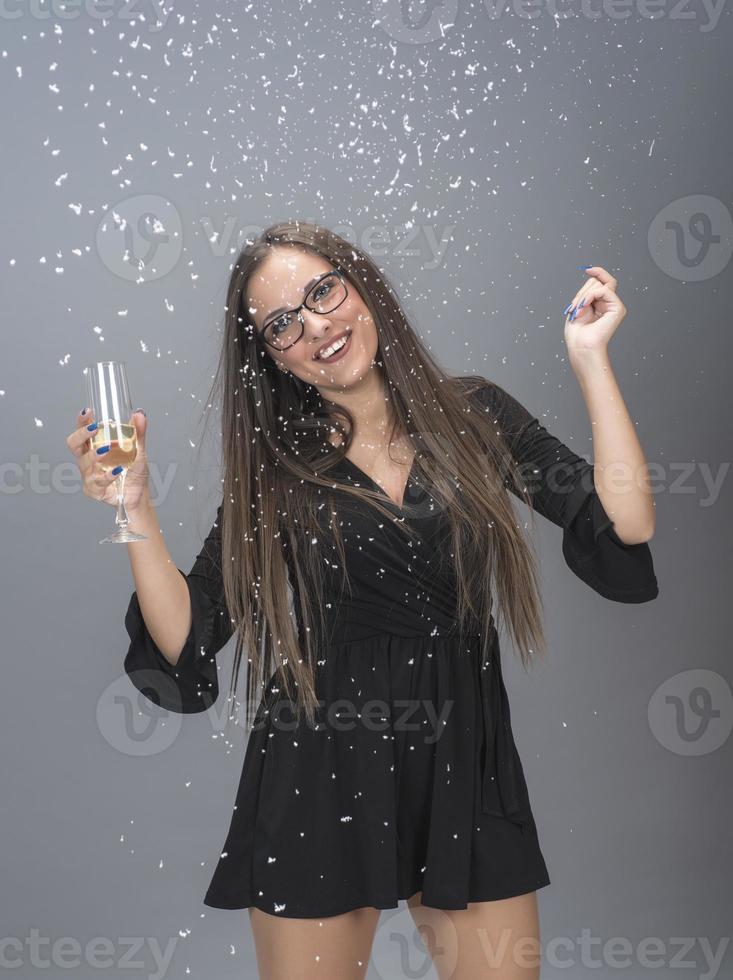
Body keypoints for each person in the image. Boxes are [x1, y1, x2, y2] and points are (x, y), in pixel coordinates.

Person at [66, 222, 658, 980]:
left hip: (464, 766)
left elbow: (624, 522)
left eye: (322, 292)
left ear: (360, 284)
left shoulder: (473, 413)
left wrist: (588, 360)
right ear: (269, 355)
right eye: (282, 323)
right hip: (318, 770)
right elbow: (188, 637)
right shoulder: (276, 470)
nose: (315, 326)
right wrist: (137, 512)